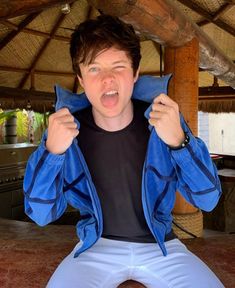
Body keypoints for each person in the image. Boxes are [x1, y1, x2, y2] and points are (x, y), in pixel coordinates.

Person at [23, 14, 224, 288]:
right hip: (95, 247)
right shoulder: (64, 131)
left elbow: (209, 198)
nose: (107, 80)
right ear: (80, 78)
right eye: (93, 69)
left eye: (118, 66)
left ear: (135, 74)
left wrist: (180, 143)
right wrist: (51, 153)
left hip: (161, 246)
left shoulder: (164, 121)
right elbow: (40, 214)